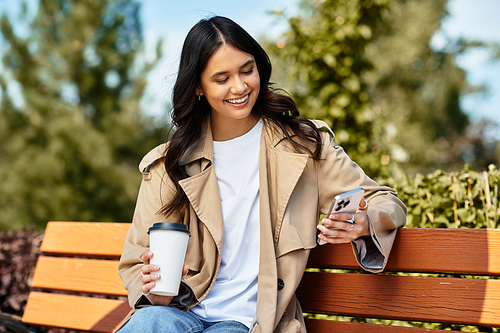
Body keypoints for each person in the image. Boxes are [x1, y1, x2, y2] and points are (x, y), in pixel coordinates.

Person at [116, 15, 406, 333]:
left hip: (250, 323)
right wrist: (152, 286)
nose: (240, 87)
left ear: (259, 68)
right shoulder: (168, 163)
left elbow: (384, 200)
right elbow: (137, 259)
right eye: (222, 78)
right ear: (198, 86)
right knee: (148, 322)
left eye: (247, 70)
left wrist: (364, 222)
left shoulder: (305, 147)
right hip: (180, 310)